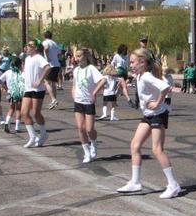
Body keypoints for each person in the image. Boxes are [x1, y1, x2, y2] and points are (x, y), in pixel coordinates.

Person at [116, 48, 180, 199]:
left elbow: (165, 88)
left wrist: (158, 102)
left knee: (157, 149)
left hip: (158, 114)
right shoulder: (139, 76)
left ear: (142, 62)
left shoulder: (146, 77)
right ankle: (135, 182)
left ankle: (173, 185)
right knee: (135, 145)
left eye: (132, 62)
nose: (130, 64)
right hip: (148, 115)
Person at [72, 48, 107, 163]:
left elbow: (103, 80)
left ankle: (94, 143)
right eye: (76, 56)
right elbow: (74, 84)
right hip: (78, 101)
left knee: (89, 129)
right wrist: (73, 93)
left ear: (85, 56)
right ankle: (86, 153)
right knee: (80, 128)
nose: (77, 58)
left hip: (88, 102)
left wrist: (94, 92)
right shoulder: (76, 70)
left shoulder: (91, 69)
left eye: (79, 56)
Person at [21, 40, 51, 148]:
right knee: (24, 113)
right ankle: (32, 136)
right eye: (27, 45)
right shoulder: (27, 58)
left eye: (30, 45)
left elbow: (47, 67)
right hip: (28, 88)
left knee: (36, 113)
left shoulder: (39, 57)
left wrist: (40, 80)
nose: (27, 47)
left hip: (38, 89)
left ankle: (43, 134)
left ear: (35, 48)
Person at [0, 56, 24, 133]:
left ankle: (7, 122)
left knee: (11, 108)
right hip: (19, 93)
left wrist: (5, 87)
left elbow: (0, 80)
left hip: (10, 92)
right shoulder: (21, 73)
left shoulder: (8, 72)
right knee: (18, 109)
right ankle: (17, 127)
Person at [42, 31, 61, 109]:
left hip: (50, 65)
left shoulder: (45, 42)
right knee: (53, 83)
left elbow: (46, 48)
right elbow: (59, 53)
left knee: (46, 82)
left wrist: (47, 57)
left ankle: (53, 99)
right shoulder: (54, 43)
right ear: (51, 36)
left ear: (44, 36)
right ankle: (54, 100)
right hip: (56, 64)